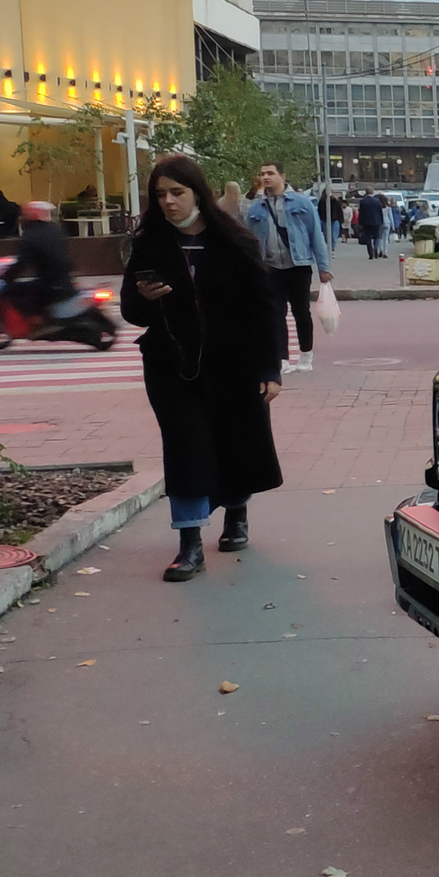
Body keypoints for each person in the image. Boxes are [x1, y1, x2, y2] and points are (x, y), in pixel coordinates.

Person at [120, 156, 285, 582]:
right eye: (160, 195)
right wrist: (147, 298)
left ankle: (237, 512)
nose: (169, 202)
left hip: (233, 365)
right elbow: (131, 311)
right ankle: (189, 544)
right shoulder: (149, 243)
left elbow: (264, 308)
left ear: (198, 193)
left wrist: (270, 367)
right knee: (186, 445)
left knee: (234, 440)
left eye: (177, 192)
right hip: (171, 366)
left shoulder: (233, 240)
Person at [247, 161, 332, 373]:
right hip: (270, 267)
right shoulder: (256, 207)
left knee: (301, 311)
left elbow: (316, 235)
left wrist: (323, 267)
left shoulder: (302, 203)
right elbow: (249, 240)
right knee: (275, 312)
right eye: (262, 173)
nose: (265, 177)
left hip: (298, 264)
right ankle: (282, 358)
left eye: (270, 173)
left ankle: (306, 355)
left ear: (282, 176)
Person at [7, 200, 80, 318]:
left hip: (49, 283)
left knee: (15, 291)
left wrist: (7, 276)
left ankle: (33, 321)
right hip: (64, 280)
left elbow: (22, 262)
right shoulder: (56, 230)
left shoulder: (31, 235)